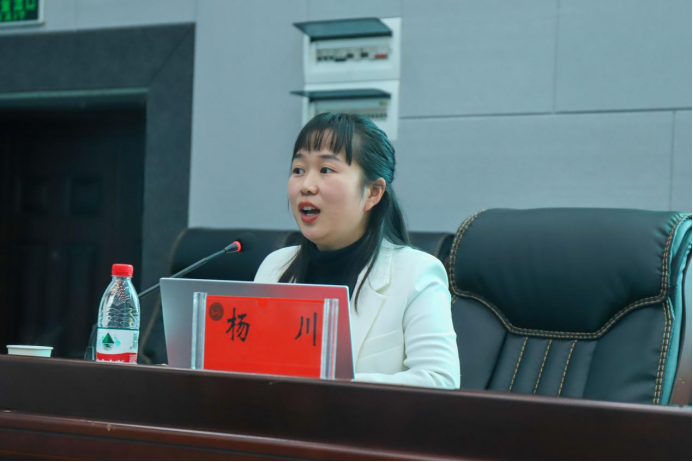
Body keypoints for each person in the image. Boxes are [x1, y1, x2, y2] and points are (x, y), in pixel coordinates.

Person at [255, 113, 460, 390]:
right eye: (298, 170)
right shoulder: (274, 267)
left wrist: (324, 385)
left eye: (326, 169)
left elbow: (440, 381)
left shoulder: (416, 273)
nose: (306, 186)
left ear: (373, 193)